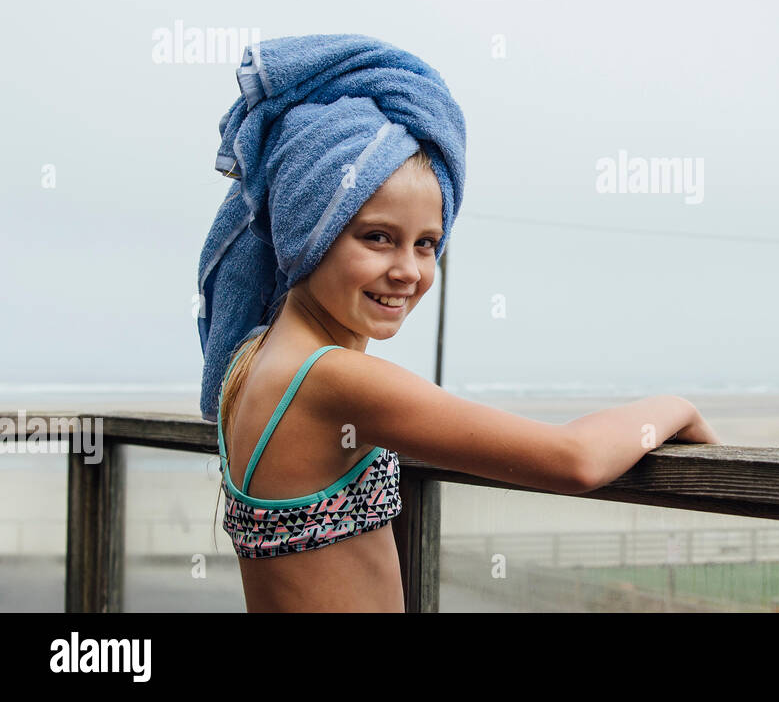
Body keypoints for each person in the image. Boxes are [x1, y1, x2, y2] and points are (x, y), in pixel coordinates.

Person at [215, 144, 721, 612]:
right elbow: (575, 460)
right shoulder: (333, 378)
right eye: (377, 237)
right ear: (310, 228)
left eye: (426, 244)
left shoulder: (252, 362)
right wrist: (677, 407)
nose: (408, 270)